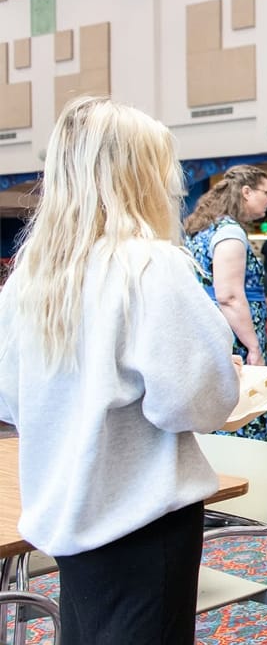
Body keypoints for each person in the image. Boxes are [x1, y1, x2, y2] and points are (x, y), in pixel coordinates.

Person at [0, 97, 240, 645]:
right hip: (142, 519)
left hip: (67, 513)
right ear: (139, 176)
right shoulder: (150, 266)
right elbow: (192, 404)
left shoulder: (31, 276)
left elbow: (10, 400)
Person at [183, 164, 267, 441]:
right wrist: (253, 346)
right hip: (234, 336)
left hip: (208, 329)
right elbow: (230, 296)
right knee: (243, 413)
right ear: (246, 192)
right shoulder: (229, 233)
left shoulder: (205, 228)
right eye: (266, 193)